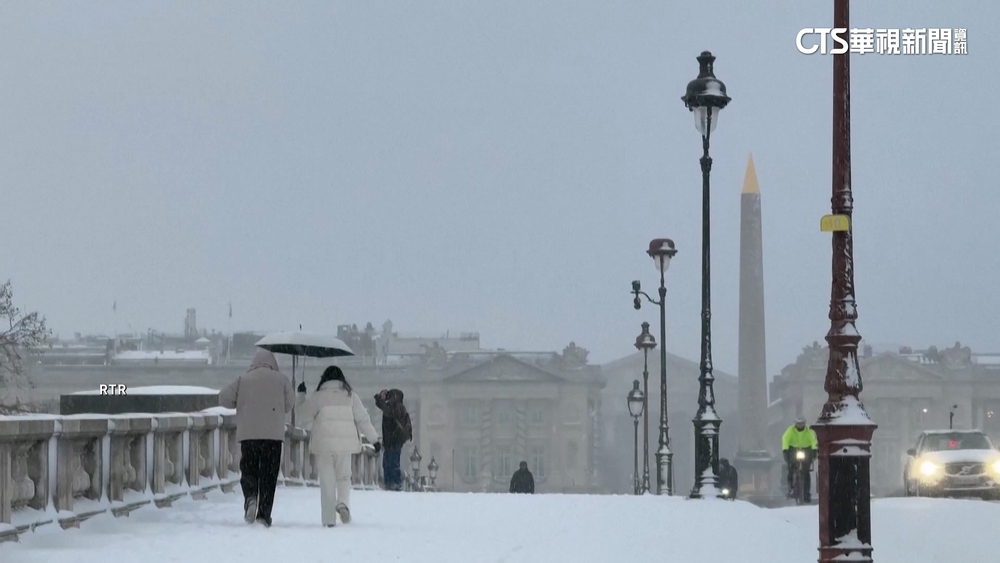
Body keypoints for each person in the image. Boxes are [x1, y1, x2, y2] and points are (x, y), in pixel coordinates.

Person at [296, 366, 381, 527]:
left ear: (324, 379)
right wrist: (374, 440)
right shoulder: (351, 396)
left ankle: (328, 519)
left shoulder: (318, 397)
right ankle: (343, 503)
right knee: (343, 477)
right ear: (342, 379)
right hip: (345, 445)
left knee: (327, 481)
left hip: (324, 445)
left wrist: (301, 396)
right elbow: (363, 420)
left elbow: (302, 416)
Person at [218, 349, 294, 527]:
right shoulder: (281, 379)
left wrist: (240, 402)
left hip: (249, 434)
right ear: (272, 363)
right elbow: (290, 405)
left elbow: (223, 398)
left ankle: (251, 497)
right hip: (273, 438)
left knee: (249, 470)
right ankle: (263, 515)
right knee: (269, 475)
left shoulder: (244, 379)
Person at [374, 388, 411, 491]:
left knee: (392, 463)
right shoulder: (396, 407)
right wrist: (379, 398)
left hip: (394, 441)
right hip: (391, 441)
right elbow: (385, 409)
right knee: (387, 463)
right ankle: (390, 483)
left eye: (389, 396)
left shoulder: (398, 407)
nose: (387, 399)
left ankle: (394, 484)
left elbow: (388, 412)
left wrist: (379, 399)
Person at [781, 415, 818, 501]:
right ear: (795, 424)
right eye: (798, 423)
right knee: (791, 468)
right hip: (793, 450)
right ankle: (791, 488)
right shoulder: (790, 430)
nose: (800, 425)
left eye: (801, 423)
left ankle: (806, 493)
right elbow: (785, 439)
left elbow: (814, 440)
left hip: (806, 450)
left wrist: (814, 450)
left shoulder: (809, 431)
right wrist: (785, 450)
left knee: (806, 472)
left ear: (804, 423)